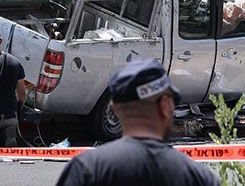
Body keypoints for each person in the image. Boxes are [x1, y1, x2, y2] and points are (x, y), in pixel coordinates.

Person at [56, 59, 219, 186]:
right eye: (173, 102)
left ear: (114, 109)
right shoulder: (198, 177)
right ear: (164, 106)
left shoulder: (86, 170)